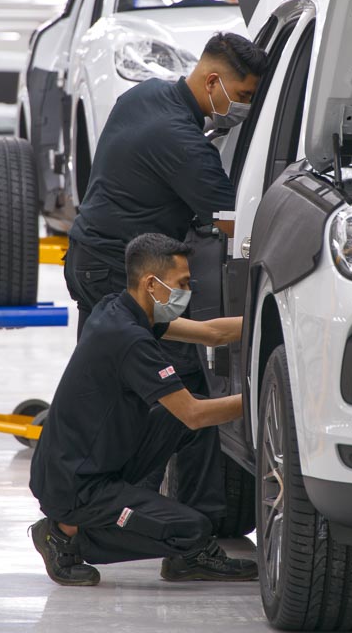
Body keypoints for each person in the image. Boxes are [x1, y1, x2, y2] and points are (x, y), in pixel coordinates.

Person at [30, 234, 256, 586]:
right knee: (191, 527)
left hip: (97, 459)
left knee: (186, 424)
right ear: (152, 284)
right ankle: (64, 534)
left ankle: (194, 554)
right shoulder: (129, 339)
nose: (188, 292)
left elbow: (211, 333)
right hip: (78, 485)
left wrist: (271, 319)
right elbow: (194, 412)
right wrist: (260, 398)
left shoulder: (119, 308)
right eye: (182, 283)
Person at [64, 31, 267, 335]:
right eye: (243, 96)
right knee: (149, 360)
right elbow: (236, 224)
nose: (246, 107)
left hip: (86, 255)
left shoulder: (144, 93)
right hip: (119, 270)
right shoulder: (186, 144)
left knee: (99, 357)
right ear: (212, 82)